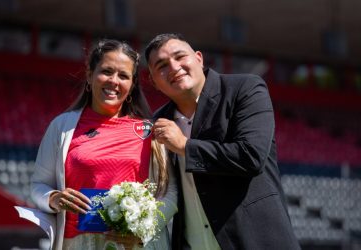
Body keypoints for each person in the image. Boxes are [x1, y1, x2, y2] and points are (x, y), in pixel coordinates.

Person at [144, 33, 301, 250]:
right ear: (153, 81)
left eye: (180, 56)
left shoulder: (245, 89)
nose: (173, 67)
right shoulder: (156, 123)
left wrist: (185, 146)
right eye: (161, 65)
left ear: (198, 58)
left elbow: (251, 157)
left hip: (255, 242)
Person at [24, 39, 177, 250]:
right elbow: (38, 186)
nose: (114, 81)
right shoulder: (62, 126)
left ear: (132, 84)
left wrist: (143, 232)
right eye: (106, 71)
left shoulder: (150, 131)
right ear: (89, 75)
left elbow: (170, 193)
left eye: (123, 76)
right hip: (76, 244)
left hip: (134, 245)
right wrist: (53, 198)